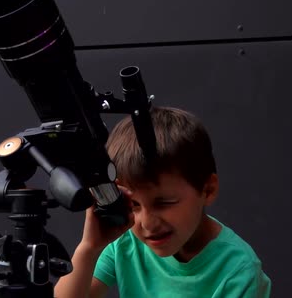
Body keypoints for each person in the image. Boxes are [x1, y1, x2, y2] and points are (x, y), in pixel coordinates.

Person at [54, 106, 271, 297]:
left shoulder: (239, 270)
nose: (147, 223)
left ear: (208, 189)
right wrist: (89, 248)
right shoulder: (124, 241)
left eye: (164, 203)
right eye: (134, 205)